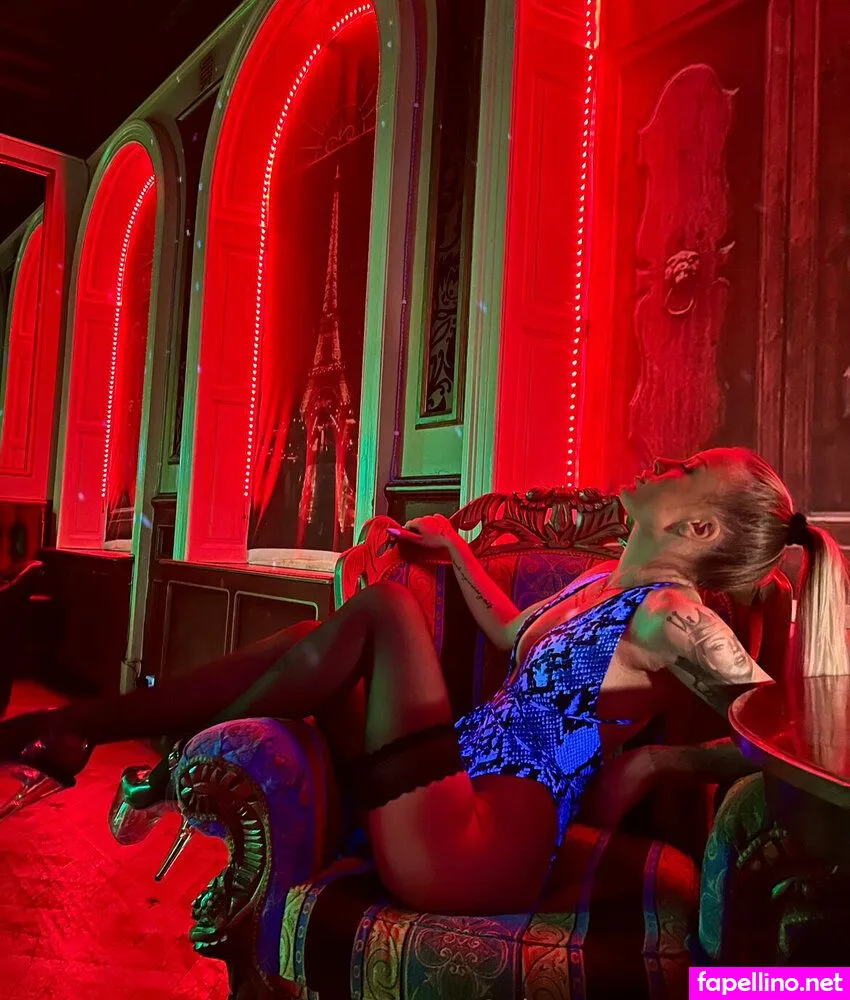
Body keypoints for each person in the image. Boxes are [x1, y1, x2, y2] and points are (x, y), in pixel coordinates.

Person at [0, 447, 846, 914]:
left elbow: (781, 734)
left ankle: (135, 754)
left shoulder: (673, 615)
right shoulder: (601, 587)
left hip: (477, 848)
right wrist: (454, 550)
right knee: (306, 637)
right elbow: (512, 632)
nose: (664, 460)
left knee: (384, 613)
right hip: (446, 792)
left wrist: (661, 763)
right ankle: (93, 734)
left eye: (687, 468)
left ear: (697, 529)